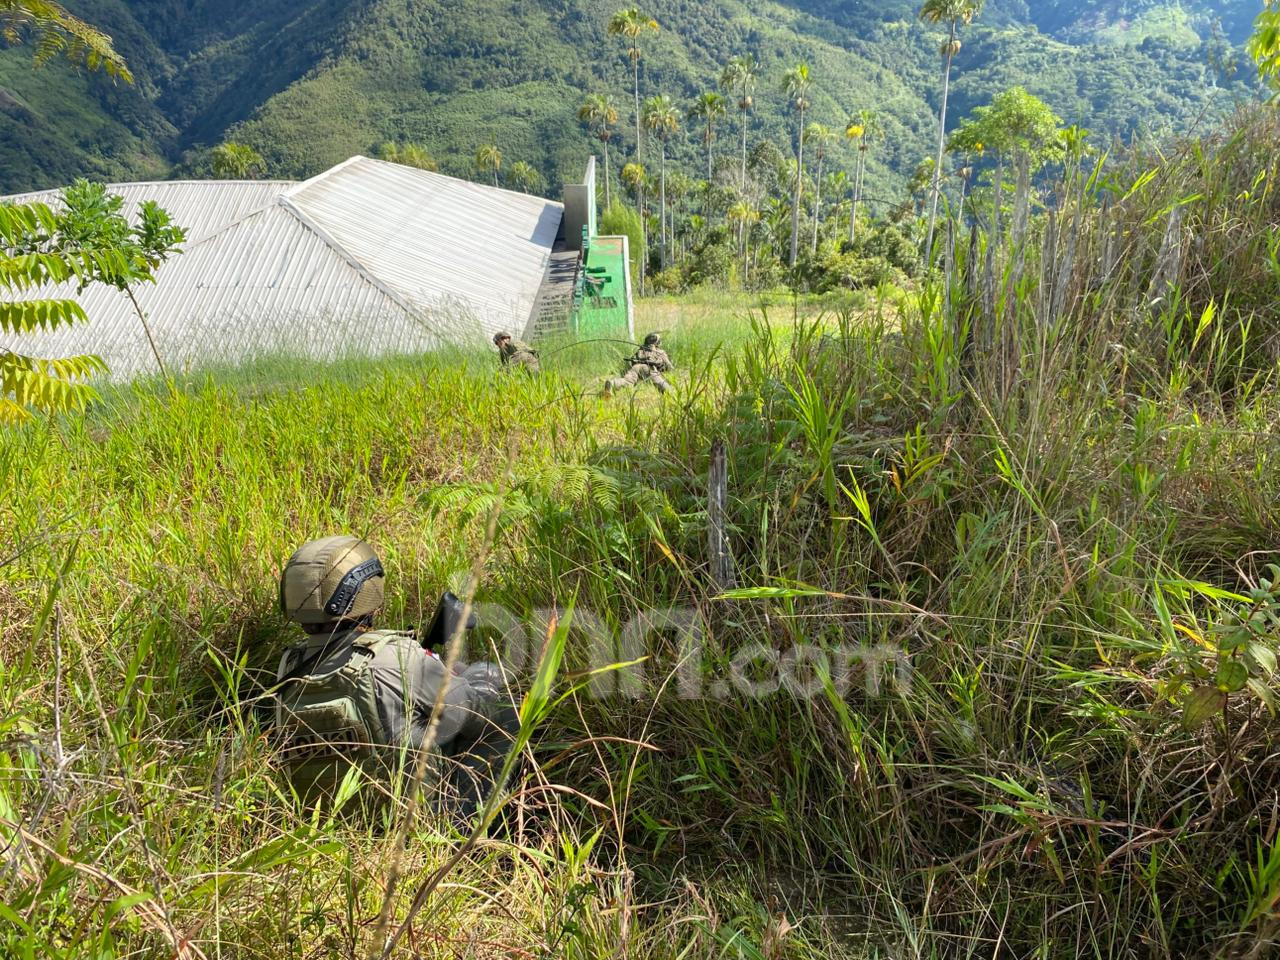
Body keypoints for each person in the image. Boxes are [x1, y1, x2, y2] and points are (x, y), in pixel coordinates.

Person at [271, 535, 517, 818]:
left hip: (322, 827)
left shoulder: (288, 666)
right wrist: (482, 681)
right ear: (367, 588)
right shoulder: (397, 657)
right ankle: (464, 835)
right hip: (409, 827)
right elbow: (480, 715)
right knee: (506, 717)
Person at [603, 332, 674, 396]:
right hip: (648, 368)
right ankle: (670, 393)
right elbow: (669, 367)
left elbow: (630, 363)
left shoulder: (640, 350)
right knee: (658, 381)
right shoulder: (659, 351)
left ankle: (613, 383)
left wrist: (625, 372)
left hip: (635, 367)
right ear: (657, 342)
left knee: (627, 381)